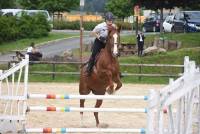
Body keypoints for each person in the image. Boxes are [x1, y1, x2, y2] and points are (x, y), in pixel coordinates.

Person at [86, 12, 116, 76]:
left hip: (107, 43)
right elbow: (92, 33)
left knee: (114, 54)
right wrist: (99, 37)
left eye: (111, 20)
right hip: (99, 42)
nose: (110, 22)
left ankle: (117, 70)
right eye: (109, 20)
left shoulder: (114, 26)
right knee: (94, 54)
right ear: (105, 20)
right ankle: (89, 69)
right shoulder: (100, 26)